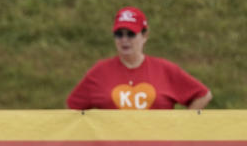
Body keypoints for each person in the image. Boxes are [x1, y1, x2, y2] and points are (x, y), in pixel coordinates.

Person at [66, 6, 212, 110]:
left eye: (130, 34)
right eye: (119, 34)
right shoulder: (99, 72)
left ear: (144, 36)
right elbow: (73, 108)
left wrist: (180, 129)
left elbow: (203, 95)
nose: (124, 40)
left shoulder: (164, 69)